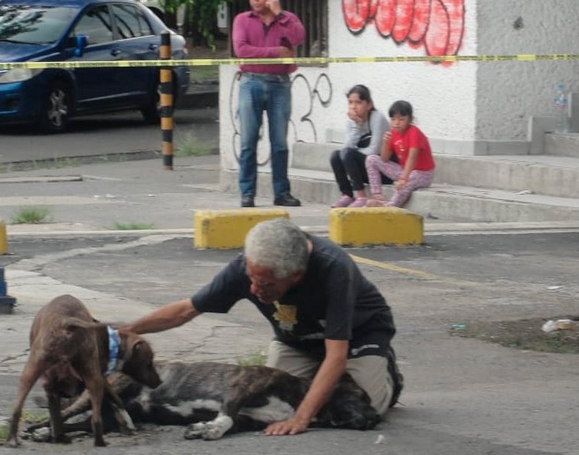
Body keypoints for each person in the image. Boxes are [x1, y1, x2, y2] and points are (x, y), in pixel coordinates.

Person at [120, 218, 403, 436]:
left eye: (266, 284)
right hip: (297, 341)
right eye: (251, 279)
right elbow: (185, 310)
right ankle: (321, 376)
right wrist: (125, 332)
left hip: (358, 338)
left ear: (296, 275)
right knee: (272, 401)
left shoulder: (334, 270)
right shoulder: (250, 266)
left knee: (366, 407)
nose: (255, 289)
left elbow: (337, 355)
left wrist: (300, 418)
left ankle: (387, 371)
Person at [232, 0, 305, 208]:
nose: (256, 1)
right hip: (250, 81)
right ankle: (247, 193)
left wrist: (280, 14)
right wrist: (276, 52)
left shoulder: (287, 19)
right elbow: (242, 50)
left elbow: (298, 37)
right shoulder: (242, 20)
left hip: (280, 84)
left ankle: (281, 192)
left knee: (280, 143)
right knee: (248, 141)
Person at [329, 85, 391, 208]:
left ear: (368, 105)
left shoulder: (377, 118)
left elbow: (374, 150)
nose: (353, 106)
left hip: (381, 171)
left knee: (348, 154)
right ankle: (346, 195)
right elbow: (346, 148)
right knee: (335, 156)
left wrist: (353, 154)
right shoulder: (351, 121)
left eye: (358, 102)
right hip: (364, 169)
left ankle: (361, 196)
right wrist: (357, 125)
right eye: (350, 102)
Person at [365, 100, 435, 207]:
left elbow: (412, 156)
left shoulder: (413, 132)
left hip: (422, 173)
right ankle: (377, 196)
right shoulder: (393, 133)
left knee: (409, 179)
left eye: (401, 119)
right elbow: (384, 159)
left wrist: (403, 179)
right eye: (393, 119)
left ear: (409, 120)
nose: (396, 123)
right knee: (371, 159)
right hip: (404, 170)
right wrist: (385, 142)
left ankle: (390, 205)